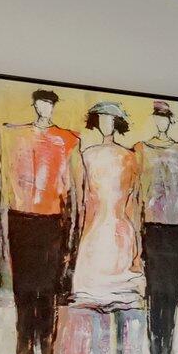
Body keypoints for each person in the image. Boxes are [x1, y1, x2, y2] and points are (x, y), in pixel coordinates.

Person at [0, 88, 79, 354]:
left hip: (51, 223)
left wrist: (70, 242)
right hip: (21, 220)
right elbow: (3, 188)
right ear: (34, 105)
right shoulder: (12, 135)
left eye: (50, 103)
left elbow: (72, 195)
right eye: (41, 102)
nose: (45, 107)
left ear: (53, 107)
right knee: (24, 296)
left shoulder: (67, 140)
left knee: (48, 299)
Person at [69, 102, 146, 317]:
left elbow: (134, 200)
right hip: (95, 227)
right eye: (102, 119)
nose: (106, 124)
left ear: (117, 123)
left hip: (120, 226)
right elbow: (83, 200)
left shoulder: (129, 157)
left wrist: (137, 245)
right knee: (91, 300)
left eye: (110, 120)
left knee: (122, 298)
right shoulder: (87, 155)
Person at [136, 99, 178, 354]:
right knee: (153, 292)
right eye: (157, 118)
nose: (161, 122)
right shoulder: (141, 149)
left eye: (165, 118)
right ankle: (155, 350)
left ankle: (167, 350)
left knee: (170, 293)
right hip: (151, 227)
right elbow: (138, 193)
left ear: (171, 121)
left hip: (176, 229)